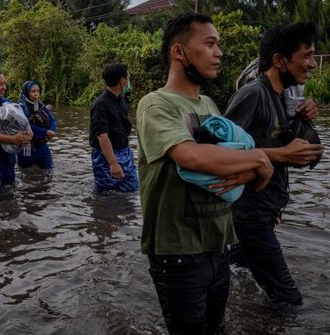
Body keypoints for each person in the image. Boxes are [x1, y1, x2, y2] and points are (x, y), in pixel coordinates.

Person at [136, 13, 274, 334]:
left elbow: (230, 159)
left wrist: (253, 168)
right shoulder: (156, 104)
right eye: (210, 44)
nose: (219, 52)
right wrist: (257, 159)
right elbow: (191, 156)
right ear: (179, 52)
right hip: (177, 253)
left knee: (217, 328)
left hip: (217, 246)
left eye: (219, 45)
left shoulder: (210, 104)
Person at [224, 22, 324, 310]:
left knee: (233, 271)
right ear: (280, 60)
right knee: (288, 300)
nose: (312, 64)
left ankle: (236, 311)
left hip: (264, 211)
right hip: (250, 216)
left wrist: (303, 120)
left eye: (312, 55)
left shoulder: (283, 98)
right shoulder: (253, 94)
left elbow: (310, 157)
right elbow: (220, 152)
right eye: (305, 56)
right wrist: (281, 155)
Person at [90, 64, 138, 193]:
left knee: (131, 190)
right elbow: (102, 135)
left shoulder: (121, 100)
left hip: (124, 151)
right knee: (107, 194)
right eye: (128, 77)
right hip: (106, 156)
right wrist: (113, 163)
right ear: (122, 81)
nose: (129, 81)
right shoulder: (100, 104)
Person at [17, 80, 57, 171]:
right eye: (33, 91)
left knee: (48, 170)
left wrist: (52, 131)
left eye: (38, 91)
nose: (36, 94)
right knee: (25, 173)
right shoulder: (20, 107)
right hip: (26, 147)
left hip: (42, 145)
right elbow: (26, 126)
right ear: (27, 92)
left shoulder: (41, 105)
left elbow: (53, 120)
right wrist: (46, 132)